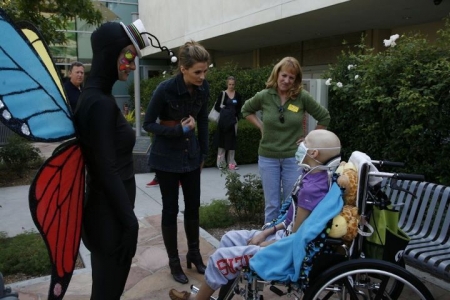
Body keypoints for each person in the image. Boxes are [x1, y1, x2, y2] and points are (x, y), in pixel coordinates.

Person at [168, 129, 341, 300]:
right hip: (283, 238)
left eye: (305, 142)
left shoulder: (312, 190)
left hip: (284, 251)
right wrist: (266, 232)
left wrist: (264, 243)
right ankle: (221, 292)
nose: (300, 145)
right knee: (229, 238)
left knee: (219, 259)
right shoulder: (314, 177)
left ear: (314, 153)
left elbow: (294, 238)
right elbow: (292, 222)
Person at [73, 19, 156, 299]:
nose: (132, 66)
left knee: (106, 290)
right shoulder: (99, 103)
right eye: (129, 57)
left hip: (107, 214)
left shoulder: (95, 97)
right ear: (110, 54)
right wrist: (130, 223)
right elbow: (104, 168)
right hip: (109, 218)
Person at [143, 40, 210, 284]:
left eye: (205, 70)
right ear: (183, 68)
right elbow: (148, 123)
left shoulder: (203, 89)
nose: (202, 76)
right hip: (166, 158)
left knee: (193, 207)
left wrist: (204, 153)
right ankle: (174, 262)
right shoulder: (165, 89)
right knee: (170, 209)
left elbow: (202, 121)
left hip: (191, 156)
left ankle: (194, 253)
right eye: (197, 72)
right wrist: (179, 132)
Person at [241, 56, 331, 224]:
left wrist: (309, 140)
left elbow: (324, 117)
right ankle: (268, 240)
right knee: (272, 205)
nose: (287, 80)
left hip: (293, 158)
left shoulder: (302, 97)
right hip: (268, 157)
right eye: (284, 75)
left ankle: (287, 240)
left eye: (292, 77)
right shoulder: (265, 96)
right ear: (277, 74)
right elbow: (246, 110)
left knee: (292, 203)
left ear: (296, 80)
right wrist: (261, 127)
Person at [215, 76, 242, 170]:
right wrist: (226, 112)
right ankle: (221, 163)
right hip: (223, 122)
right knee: (221, 142)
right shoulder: (222, 94)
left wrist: (235, 116)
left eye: (233, 84)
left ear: (235, 85)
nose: (231, 86)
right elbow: (217, 107)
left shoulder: (237, 95)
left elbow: (239, 108)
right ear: (227, 84)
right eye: (229, 84)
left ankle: (231, 163)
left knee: (232, 143)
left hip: (233, 122)